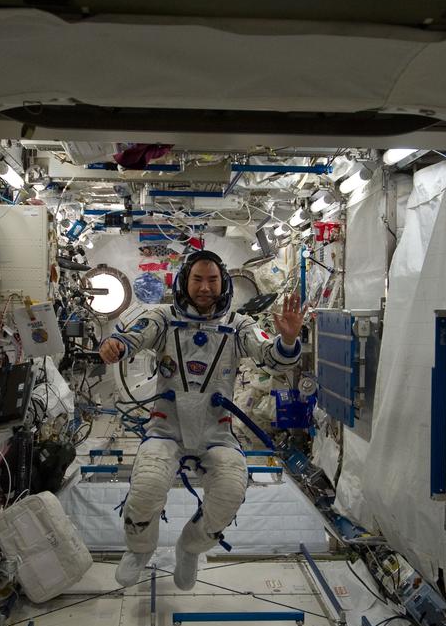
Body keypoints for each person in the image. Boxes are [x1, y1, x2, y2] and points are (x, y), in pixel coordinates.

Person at [98, 250, 304, 590]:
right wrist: (115, 346)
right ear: (184, 282)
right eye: (197, 279)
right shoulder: (162, 318)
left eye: (212, 280)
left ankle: (190, 548)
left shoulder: (238, 326)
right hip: (167, 428)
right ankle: (140, 549)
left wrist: (288, 340)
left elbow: (273, 358)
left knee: (230, 493)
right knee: (146, 487)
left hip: (216, 433)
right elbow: (131, 338)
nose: (205, 287)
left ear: (223, 284)